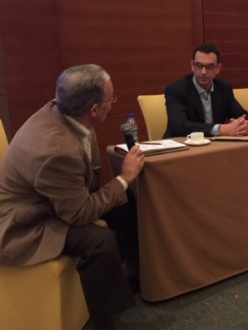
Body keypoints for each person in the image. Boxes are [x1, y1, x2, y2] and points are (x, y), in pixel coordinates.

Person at [0, 64, 145, 330]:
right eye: (110, 100)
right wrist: (124, 177)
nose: (112, 104)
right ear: (93, 109)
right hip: (26, 222)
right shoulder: (56, 151)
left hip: (53, 202)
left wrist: (119, 188)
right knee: (99, 240)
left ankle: (125, 278)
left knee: (125, 204)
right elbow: (78, 214)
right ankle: (103, 321)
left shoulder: (63, 111)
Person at [164, 43, 248, 138]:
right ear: (192, 65)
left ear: (218, 68)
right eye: (199, 65)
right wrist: (221, 129)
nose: (203, 72)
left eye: (209, 67)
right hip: (182, 145)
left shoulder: (224, 88)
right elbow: (179, 126)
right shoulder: (176, 90)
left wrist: (247, 126)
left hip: (214, 146)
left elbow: (243, 116)